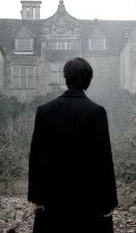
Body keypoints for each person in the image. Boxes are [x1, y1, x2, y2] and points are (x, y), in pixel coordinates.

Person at [28, 57, 118, 233]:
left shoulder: (44, 111)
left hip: (52, 199)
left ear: (65, 78)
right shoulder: (96, 112)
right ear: (89, 80)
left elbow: (36, 158)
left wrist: (36, 198)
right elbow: (104, 160)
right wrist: (109, 201)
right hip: (88, 200)